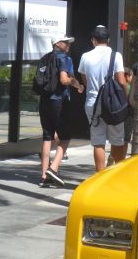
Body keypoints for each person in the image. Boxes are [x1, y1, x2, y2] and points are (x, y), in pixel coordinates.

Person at [78, 25, 128, 172]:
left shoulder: (85, 56)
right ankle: (118, 174)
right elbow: (121, 81)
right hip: (113, 103)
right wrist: (124, 99)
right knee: (117, 140)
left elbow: (85, 80)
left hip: (93, 102)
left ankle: (100, 175)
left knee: (98, 141)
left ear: (93, 40)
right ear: (109, 40)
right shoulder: (116, 55)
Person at [39, 35, 83, 187]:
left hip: (44, 101)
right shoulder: (64, 58)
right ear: (58, 44)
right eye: (66, 42)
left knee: (47, 136)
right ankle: (53, 168)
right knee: (65, 137)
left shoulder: (45, 58)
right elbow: (64, 80)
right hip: (59, 101)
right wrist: (77, 85)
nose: (68, 44)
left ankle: (44, 176)